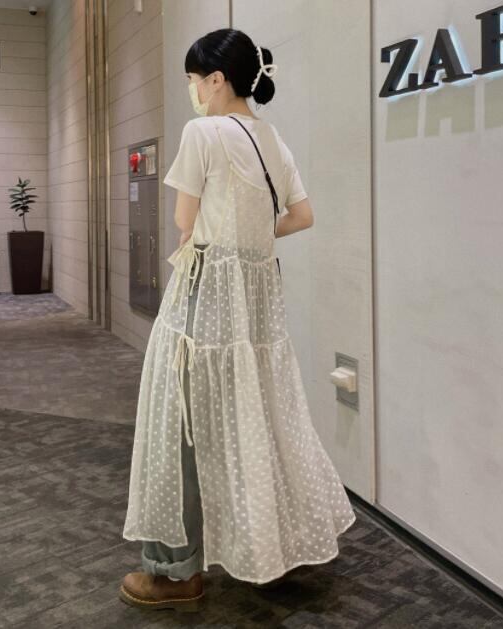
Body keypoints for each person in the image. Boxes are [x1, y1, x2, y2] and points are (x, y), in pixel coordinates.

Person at [119, 28, 356, 612]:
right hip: (256, 305)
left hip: (204, 298)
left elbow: (184, 221)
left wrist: (221, 237)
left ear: (217, 80)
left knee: (180, 430)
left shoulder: (203, 132)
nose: (193, 91)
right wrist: (250, 237)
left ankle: (174, 571)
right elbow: (302, 215)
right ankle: (274, 546)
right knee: (259, 420)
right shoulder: (272, 139)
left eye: (194, 80)